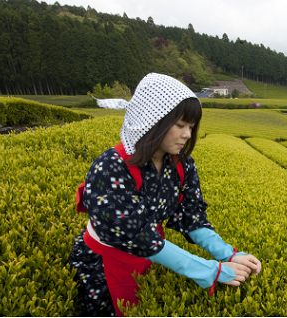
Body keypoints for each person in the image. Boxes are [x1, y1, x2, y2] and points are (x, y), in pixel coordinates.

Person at [68, 73, 261, 316]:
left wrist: (228, 253)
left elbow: (191, 216)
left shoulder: (182, 165)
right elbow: (137, 234)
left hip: (154, 257)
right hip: (106, 265)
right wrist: (208, 270)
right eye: (180, 125)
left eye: (191, 127)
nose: (188, 135)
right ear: (152, 120)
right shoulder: (111, 167)